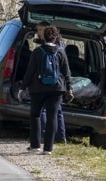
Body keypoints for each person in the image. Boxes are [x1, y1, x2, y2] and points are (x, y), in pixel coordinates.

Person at [22, 25, 72, 155]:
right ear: (56, 37)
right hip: (57, 89)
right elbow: (67, 72)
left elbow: (30, 71)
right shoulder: (61, 52)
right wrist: (69, 88)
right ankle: (48, 148)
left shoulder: (37, 52)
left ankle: (35, 146)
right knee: (52, 116)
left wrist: (23, 87)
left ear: (43, 36)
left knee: (36, 115)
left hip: (38, 88)